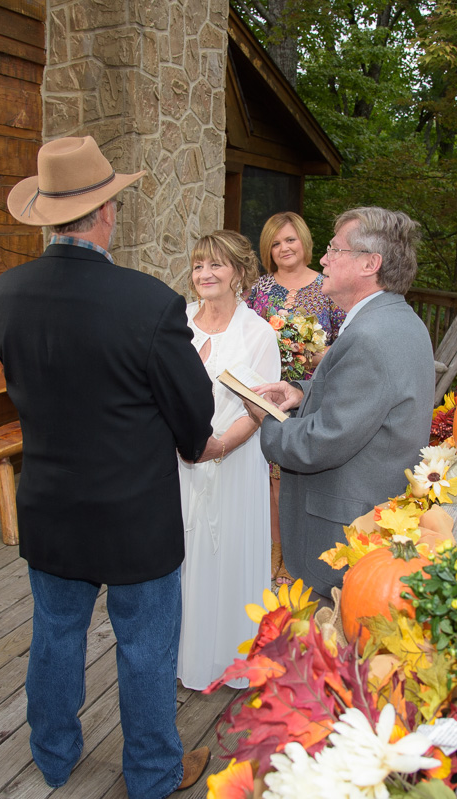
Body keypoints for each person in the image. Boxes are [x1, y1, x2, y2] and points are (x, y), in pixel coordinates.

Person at [0, 136, 215, 797]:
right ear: (106, 212)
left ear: (49, 216)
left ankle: (53, 755)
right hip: (135, 515)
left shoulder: (3, 296)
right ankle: (151, 773)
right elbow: (193, 418)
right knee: (144, 646)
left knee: (55, 634)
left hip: (52, 504)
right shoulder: (148, 304)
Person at [245, 207, 435, 598]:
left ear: (369, 263)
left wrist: (266, 419)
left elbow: (320, 442)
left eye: (334, 249)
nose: (324, 259)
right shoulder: (397, 319)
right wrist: (302, 392)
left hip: (344, 535)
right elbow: (362, 398)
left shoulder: (372, 336)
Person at [177, 230, 280, 691]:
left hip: (234, 461)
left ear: (239, 272)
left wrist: (218, 448)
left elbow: (258, 411)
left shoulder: (256, 333)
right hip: (181, 462)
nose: (205, 274)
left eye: (216, 265)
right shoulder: (178, 323)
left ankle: (228, 661)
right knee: (186, 556)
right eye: (199, 265)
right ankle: (184, 657)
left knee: (228, 554)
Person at [244, 212, 346, 583]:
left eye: (290, 240)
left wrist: (313, 353)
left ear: (304, 240)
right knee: (271, 477)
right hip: (267, 391)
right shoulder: (259, 290)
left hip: (311, 393)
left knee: (298, 476)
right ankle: (276, 549)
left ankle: (300, 552)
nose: (284, 248)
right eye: (275, 243)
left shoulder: (328, 288)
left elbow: (345, 342)